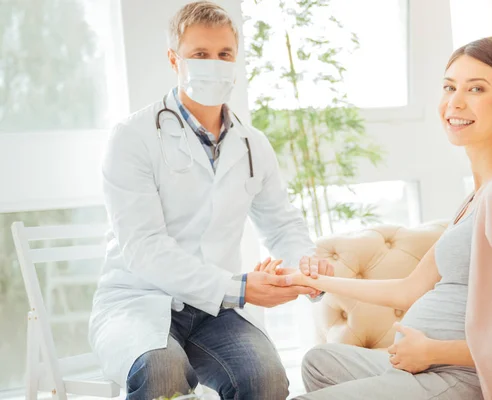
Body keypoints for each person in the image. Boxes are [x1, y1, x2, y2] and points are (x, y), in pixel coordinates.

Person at [261, 37, 492, 399]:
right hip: (427, 367)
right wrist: (312, 281)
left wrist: (434, 352)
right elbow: (408, 289)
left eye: (476, 89)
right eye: (449, 87)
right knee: (318, 361)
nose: (455, 101)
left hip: (466, 377)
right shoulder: (483, 193)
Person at [88, 2, 333, 399]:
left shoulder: (253, 144)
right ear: (174, 59)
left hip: (213, 312)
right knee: (162, 371)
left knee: (266, 380)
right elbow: (143, 248)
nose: (214, 64)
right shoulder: (132, 137)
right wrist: (239, 288)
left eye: (224, 54)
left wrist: (306, 268)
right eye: (200, 55)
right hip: (139, 302)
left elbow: (282, 224)